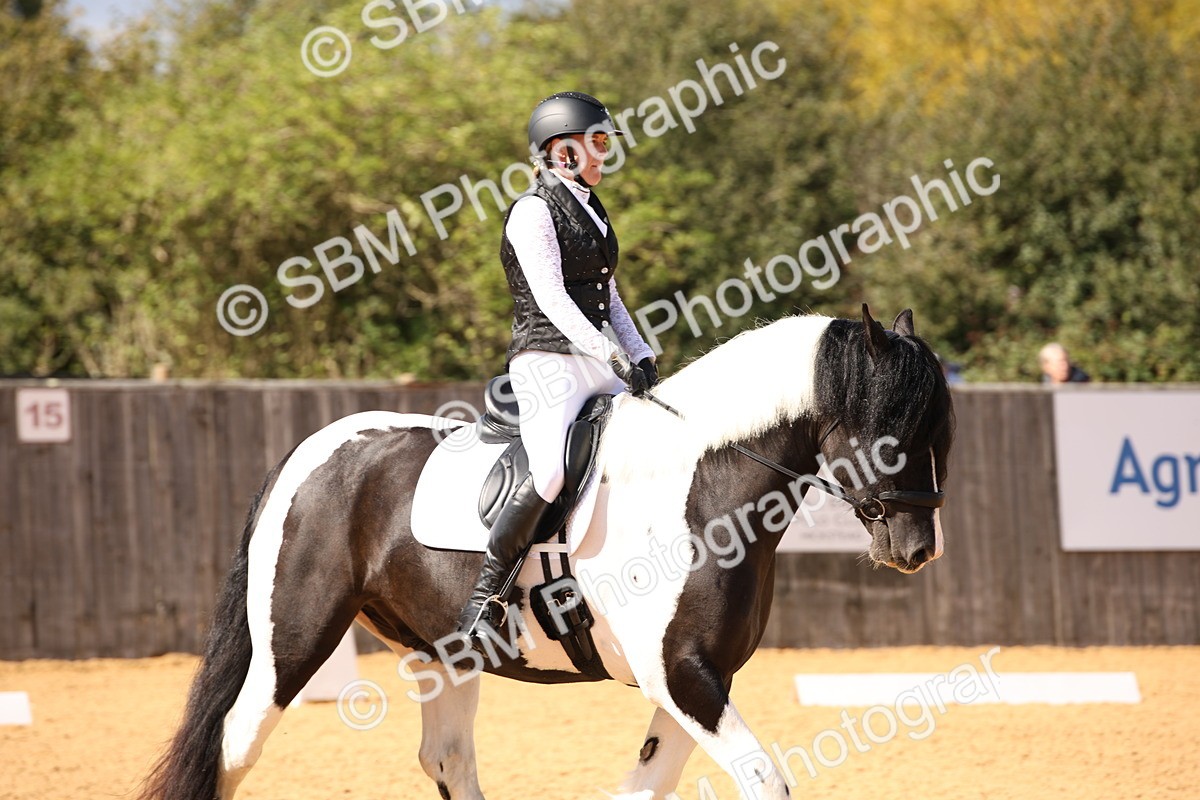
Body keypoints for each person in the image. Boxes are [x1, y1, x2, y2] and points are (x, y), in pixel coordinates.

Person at [457, 92, 658, 646]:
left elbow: (608, 294)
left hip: (596, 358)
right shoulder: (532, 210)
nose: (602, 155)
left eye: (602, 144)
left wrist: (638, 350)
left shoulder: (593, 208)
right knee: (549, 471)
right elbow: (549, 296)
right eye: (594, 144)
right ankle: (486, 599)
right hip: (546, 359)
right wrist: (607, 351)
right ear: (560, 150)